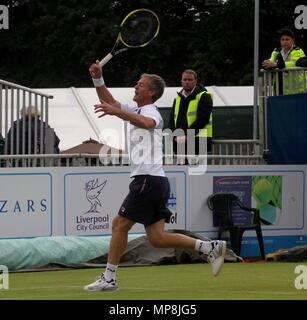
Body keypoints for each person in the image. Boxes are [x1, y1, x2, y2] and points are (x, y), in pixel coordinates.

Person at [84, 61, 226, 292]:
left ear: (151, 92)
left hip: (148, 181)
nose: (135, 86)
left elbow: (147, 123)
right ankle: (209, 247)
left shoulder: (150, 112)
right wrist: (97, 78)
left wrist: (117, 112)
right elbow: (109, 102)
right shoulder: (138, 109)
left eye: (140, 85)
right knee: (157, 238)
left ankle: (109, 278)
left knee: (119, 226)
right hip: (155, 182)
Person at [167, 69, 213, 158]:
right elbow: (172, 120)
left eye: (190, 80)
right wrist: (174, 137)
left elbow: (203, 119)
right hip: (180, 142)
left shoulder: (204, 96)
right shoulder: (177, 99)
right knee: (182, 170)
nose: (187, 82)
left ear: (195, 81)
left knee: (197, 171)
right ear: (181, 81)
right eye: (184, 79)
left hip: (198, 142)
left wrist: (187, 135)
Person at [262, 27, 307, 94]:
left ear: (293, 41)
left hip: (298, 91)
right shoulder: (276, 52)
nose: (284, 41)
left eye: (287, 39)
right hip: (279, 91)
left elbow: (294, 63)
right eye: (282, 40)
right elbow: (270, 61)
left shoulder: (298, 51)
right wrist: (266, 63)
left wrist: (276, 64)